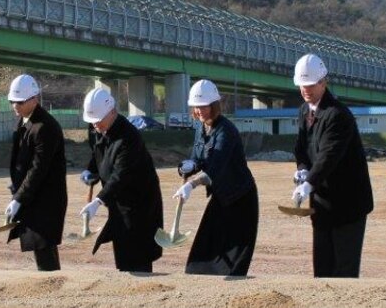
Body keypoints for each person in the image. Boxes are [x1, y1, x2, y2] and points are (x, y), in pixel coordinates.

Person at [291, 54, 374, 278]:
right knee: (323, 267)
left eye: (310, 84)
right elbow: (301, 147)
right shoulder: (304, 111)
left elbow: (329, 155)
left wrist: (308, 184)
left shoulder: (337, 114)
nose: (306, 90)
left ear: (323, 82)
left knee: (344, 270)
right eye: (302, 85)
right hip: (323, 203)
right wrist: (302, 168)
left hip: (349, 204)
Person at [177, 79, 258, 276]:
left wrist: (192, 184)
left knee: (234, 254)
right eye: (196, 107)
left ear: (214, 105)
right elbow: (198, 158)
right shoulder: (201, 127)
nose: (200, 111)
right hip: (221, 197)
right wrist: (189, 166)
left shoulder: (226, 131)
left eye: (204, 106)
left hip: (240, 199)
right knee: (205, 246)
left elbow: (215, 168)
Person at [79, 87, 164, 273]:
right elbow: (98, 153)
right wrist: (91, 170)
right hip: (118, 202)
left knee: (138, 251)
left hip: (140, 203)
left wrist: (98, 200)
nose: (95, 125)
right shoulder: (95, 128)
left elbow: (121, 175)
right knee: (123, 251)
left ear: (112, 112)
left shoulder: (129, 137)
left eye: (98, 120)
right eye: (92, 121)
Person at [6, 74, 68, 271]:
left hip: (46, 200)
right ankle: (48, 280)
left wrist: (19, 198)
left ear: (34, 99)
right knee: (39, 246)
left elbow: (38, 168)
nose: (15, 106)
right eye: (12, 102)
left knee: (43, 244)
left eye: (20, 102)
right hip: (34, 197)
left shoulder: (45, 127)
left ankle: (51, 284)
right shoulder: (25, 122)